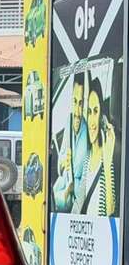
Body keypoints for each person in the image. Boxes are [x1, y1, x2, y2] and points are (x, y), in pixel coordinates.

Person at [73, 75, 119, 217]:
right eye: (89, 112)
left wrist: (106, 161)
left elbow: (111, 210)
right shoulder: (87, 157)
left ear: (102, 117)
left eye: (96, 111)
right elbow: (79, 203)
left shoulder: (107, 157)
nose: (92, 122)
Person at [52, 74, 88, 212]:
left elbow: (81, 175)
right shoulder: (69, 120)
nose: (78, 112)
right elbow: (61, 160)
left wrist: (68, 192)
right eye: (75, 102)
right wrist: (63, 163)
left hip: (76, 203)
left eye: (81, 103)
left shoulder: (88, 132)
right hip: (64, 194)